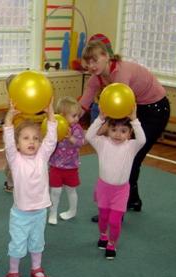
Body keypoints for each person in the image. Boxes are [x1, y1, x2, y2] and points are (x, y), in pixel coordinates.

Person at [80, 39, 170, 214]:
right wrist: (64, 120)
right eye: (88, 62)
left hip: (156, 109)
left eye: (95, 60)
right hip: (136, 108)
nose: (91, 65)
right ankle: (132, 200)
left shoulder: (121, 73)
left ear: (106, 56)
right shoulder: (96, 78)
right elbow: (83, 104)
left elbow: (118, 111)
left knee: (132, 155)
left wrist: (96, 131)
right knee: (129, 157)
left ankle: (121, 203)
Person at [3, 99, 57, 277]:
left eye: (35, 138)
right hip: (21, 214)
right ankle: (13, 272)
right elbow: (8, 140)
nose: (32, 142)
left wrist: (50, 112)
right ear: (17, 144)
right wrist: (9, 117)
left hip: (39, 212)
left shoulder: (42, 156)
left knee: (37, 242)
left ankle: (36, 268)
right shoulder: (15, 159)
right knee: (18, 244)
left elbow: (51, 139)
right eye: (26, 138)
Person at [85, 107, 146, 260]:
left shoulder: (131, 146)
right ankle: (103, 236)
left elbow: (143, 140)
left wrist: (134, 120)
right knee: (103, 217)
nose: (118, 134)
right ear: (108, 130)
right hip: (104, 188)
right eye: (114, 129)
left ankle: (112, 244)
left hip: (121, 191)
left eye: (123, 131)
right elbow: (89, 135)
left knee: (114, 220)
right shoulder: (102, 142)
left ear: (129, 133)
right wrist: (100, 118)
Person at [48, 97, 85, 225]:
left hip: (71, 167)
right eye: (74, 116)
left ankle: (72, 210)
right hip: (55, 166)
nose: (77, 119)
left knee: (71, 190)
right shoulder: (56, 125)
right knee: (55, 191)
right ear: (62, 115)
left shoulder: (77, 128)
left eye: (78, 115)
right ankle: (52, 213)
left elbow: (81, 143)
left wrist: (71, 139)